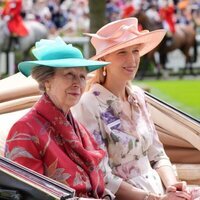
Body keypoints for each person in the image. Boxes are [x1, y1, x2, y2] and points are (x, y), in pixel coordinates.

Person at [72, 17, 200, 200]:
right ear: (103, 59)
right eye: (122, 52)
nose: (132, 60)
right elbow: (103, 176)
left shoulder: (139, 96)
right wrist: (154, 199)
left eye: (135, 51)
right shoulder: (89, 104)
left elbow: (158, 154)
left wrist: (173, 186)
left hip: (160, 191)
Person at [4, 37, 111, 199]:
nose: (77, 83)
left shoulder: (76, 125)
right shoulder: (25, 129)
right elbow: (28, 195)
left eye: (82, 77)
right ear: (47, 81)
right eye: (69, 74)